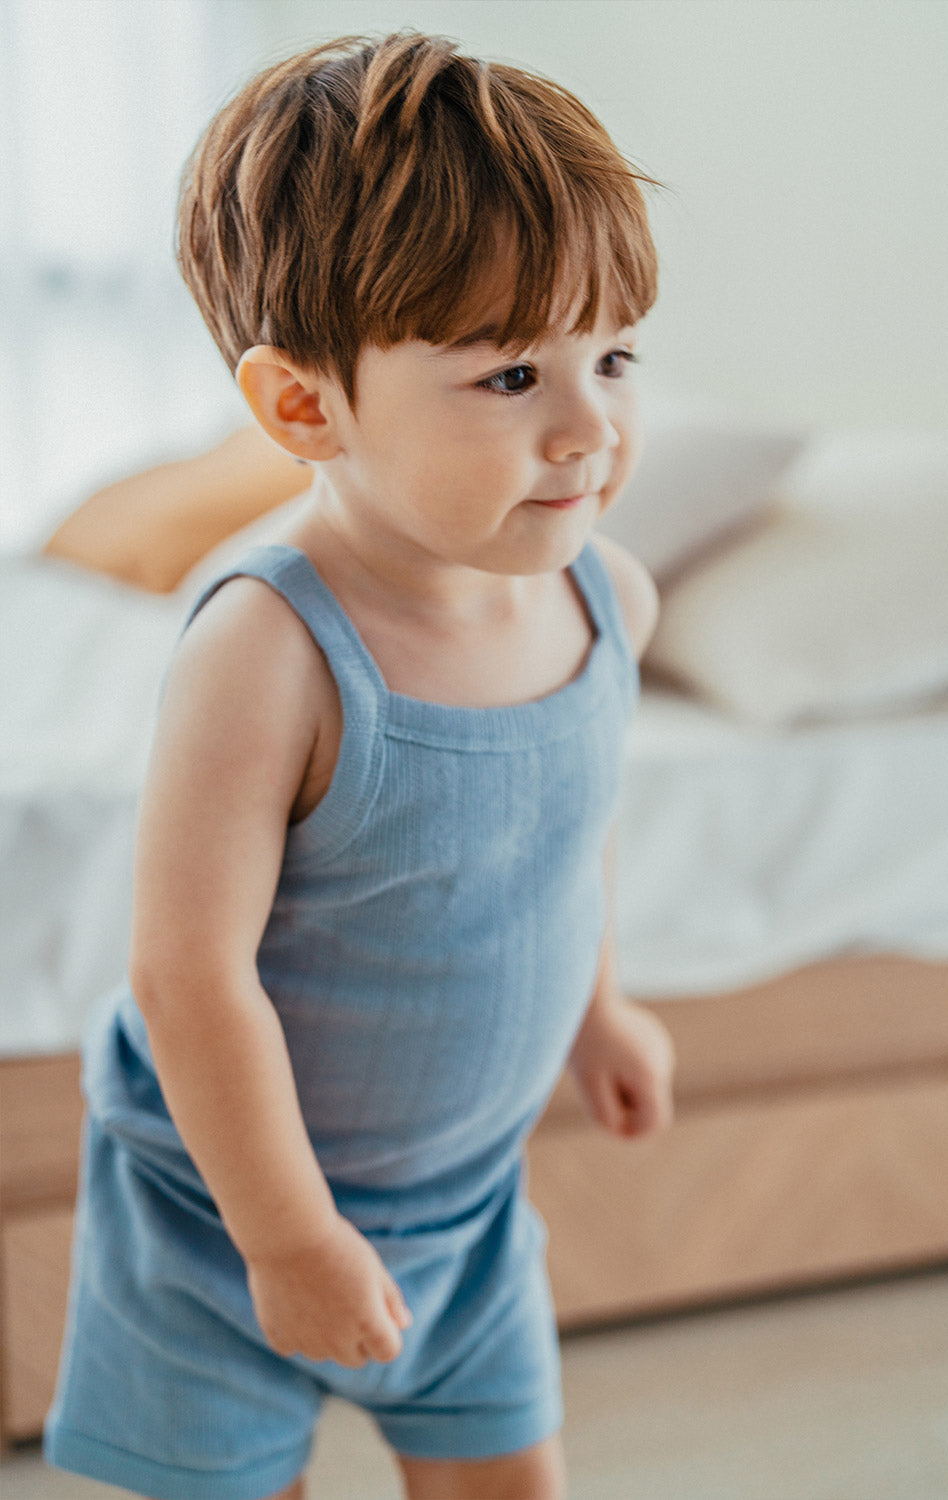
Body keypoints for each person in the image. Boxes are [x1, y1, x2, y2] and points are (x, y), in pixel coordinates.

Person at [45, 32, 675, 1500]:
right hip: (220, 1216)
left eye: (615, 356)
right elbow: (187, 977)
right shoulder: (268, 651)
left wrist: (602, 1006)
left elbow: (562, 838)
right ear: (303, 408)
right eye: (513, 373)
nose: (590, 427)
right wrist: (286, 1239)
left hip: (465, 1215)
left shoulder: (610, 605)